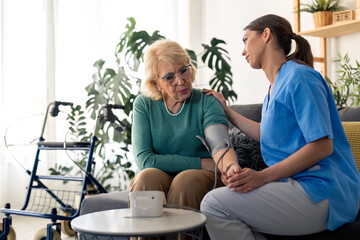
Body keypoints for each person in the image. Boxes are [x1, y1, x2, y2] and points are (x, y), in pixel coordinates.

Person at [201, 14, 360, 239]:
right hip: (298, 186)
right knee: (227, 203)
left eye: (246, 40)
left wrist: (262, 176)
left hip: (324, 190)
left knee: (214, 203)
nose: (243, 50)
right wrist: (226, 111)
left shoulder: (300, 78)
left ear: (266, 34)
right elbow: (265, 134)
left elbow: (323, 146)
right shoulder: (275, 87)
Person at [130, 39, 239, 210]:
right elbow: (145, 159)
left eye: (184, 71)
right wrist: (201, 163)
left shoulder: (207, 101)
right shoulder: (144, 104)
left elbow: (220, 145)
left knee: (186, 181)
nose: (180, 81)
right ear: (156, 83)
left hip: (198, 178)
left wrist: (231, 167)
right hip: (180, 170)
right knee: (146, 178)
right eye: (169, 77)